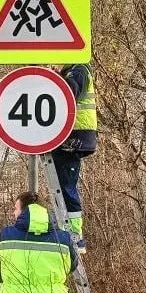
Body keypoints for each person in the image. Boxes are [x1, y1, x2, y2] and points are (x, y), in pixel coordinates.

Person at [52, 63, 97, 253]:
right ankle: (66, 231)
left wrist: (56, 80)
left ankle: (75, 238)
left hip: (75, 136)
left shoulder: (79, 69)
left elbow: (69, 93)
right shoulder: (72, 71)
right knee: (61, 186)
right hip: (71, 135)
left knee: (66, 187)